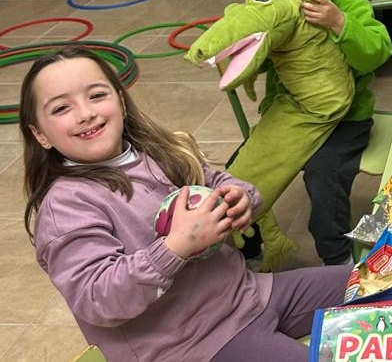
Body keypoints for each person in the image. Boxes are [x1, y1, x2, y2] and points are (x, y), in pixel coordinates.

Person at [21, 47, 349, 362]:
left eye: (96, 95)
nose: (86, 113)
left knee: (381, 283)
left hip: (251, 293)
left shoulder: (157, 152)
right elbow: (98, 299)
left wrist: (239, 198)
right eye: (61, 109)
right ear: (41, 135)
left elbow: (219, 181)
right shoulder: (66, 207)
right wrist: (175, 248)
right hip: (192, 346)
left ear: (120, 102)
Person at [263, 0, 392, 265]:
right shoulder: (275, 6)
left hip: (345, 119)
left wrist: (340, 24)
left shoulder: (350, 4)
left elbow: (376, 51)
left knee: (323, 178)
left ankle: (337, 261)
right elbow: (255, 60)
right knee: (241, 174)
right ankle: (248, 244)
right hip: (289, 116)